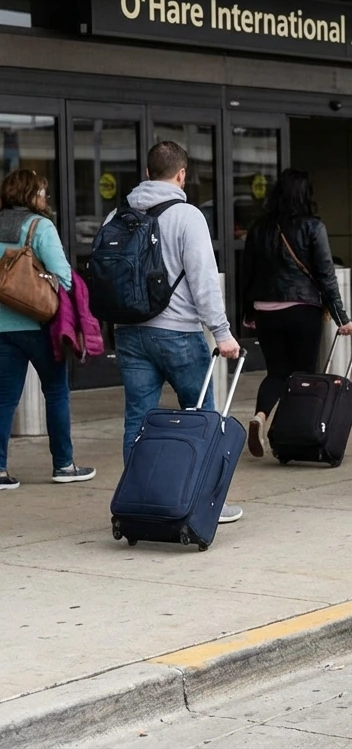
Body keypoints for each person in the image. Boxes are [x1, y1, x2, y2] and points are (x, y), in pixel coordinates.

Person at [105, 141, 243, 524]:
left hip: (130, 333)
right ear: (181, 175)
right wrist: (222, 332)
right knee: (202, 418)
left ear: (148, 172)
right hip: (179, 333)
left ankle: (136, 499)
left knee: (138, 419)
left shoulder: (116, 215)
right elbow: (203, 280)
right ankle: (205, 502)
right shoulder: (187, 216)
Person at [238, 169, 352, 458]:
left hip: (265, 309)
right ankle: (292, 435)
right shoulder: (313, 227)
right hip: (303, 310)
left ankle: (260, 417)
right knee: (303, 376)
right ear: (306, 195)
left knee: (277, 372)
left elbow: (247, 274)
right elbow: (326, 275)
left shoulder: (259, 227)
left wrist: (247, 312)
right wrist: (342, 317)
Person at [0, 169, 95, 490]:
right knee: (55, 392)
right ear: (29, 195)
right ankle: (63, 465)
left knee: (3, 401)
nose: (45, 198)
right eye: (42, 192)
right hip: (39, 324)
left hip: (2, 329)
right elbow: (63, 277)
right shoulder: (40, 227)